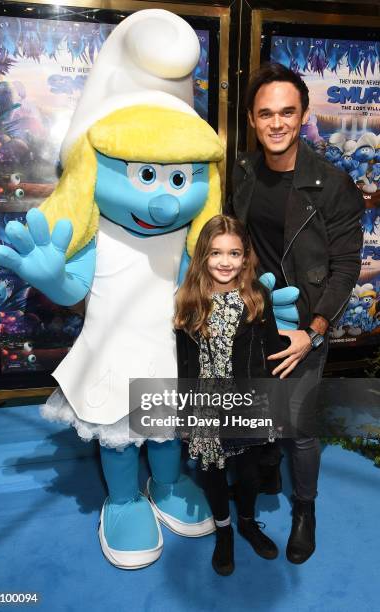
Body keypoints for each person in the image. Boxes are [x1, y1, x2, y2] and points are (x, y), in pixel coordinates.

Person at [226, 62, 364, 564]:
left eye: (288, 111)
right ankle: (262, 471)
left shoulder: (331, 185)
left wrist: (315, 329)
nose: (277, 123)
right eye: (266, 114)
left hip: (304, 326)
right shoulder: (242, 173)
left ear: (303, 114)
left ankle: (305, 509)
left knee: (300, 427)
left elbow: (347, 265)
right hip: (251, 319)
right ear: (252, 119)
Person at [174, 214, 288, 576]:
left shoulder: (258, 296)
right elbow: (186, 364)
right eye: (216, 253)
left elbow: (271, 353)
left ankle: (249, 522)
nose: (225, 262)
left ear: (245, 256)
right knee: (213, 471)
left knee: (250, 470)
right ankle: (224, 532)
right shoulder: (190, 299)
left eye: (234, 253)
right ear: (203, 257)